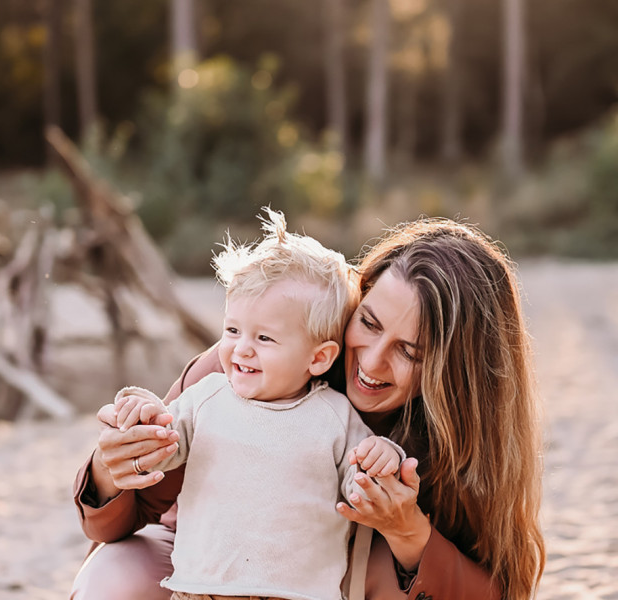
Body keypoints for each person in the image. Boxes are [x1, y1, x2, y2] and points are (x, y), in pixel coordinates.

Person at [71, 216, 546, 600]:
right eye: (369, 322)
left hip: (339, 581)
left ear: (457, 373)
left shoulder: (465, 444)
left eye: (410, 352)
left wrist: (408, 535)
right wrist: (114, 469)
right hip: (208, 565)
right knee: (112, 575)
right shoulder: (246, 368)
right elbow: (125, 518)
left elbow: (500, 592)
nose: (372, 361)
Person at [103, 208, 404, 600]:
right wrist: (142, 415)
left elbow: (359, 484)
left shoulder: (334, 416)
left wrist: (383, 457)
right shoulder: (206, 398)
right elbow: (162, 447)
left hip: (298, 594)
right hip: (202, 590)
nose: (240, 348)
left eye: (265, 339)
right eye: (232, 330)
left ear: (318, 358)